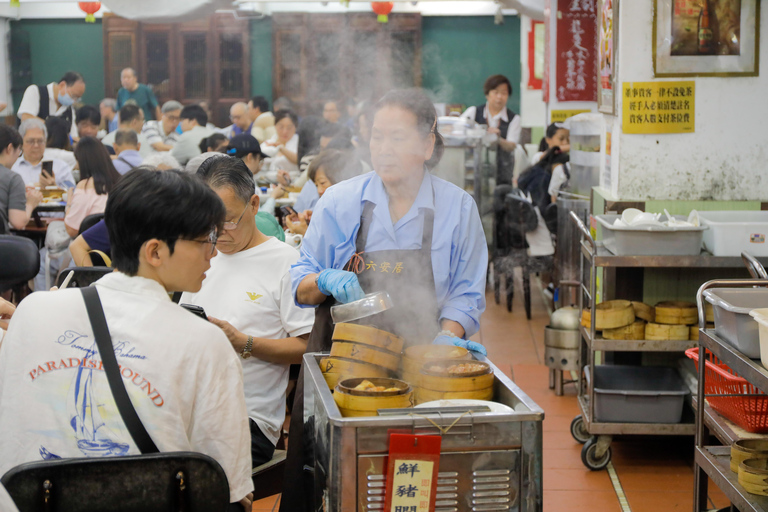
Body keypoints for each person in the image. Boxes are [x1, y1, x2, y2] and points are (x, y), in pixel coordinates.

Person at [281, 89, 488, 512]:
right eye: (377, 136)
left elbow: (467, 293)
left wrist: (449, 335)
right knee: (329, 481)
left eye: (397, 137)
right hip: (340, 368)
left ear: (427, 143)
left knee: (412, 484)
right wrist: (326, 278)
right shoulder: (339, 201)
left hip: (423, 369)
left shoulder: (457, 208)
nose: (383, 149)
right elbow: (299, 287)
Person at [0, 168, 254, 510]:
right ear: (155, 252)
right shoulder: (205, 343)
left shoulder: (31, 312)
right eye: (204, 239)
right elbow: (228, 488)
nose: (213, 251)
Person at [182, 156, 313, 469]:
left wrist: (244, 343)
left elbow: (308, 347)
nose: (217, 234)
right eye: (207, 223)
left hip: (246, 418)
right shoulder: (200, 253)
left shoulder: (285, 262)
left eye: (227, 221)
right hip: (188, 407)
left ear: (254, 204)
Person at [283, 149, 361, 236]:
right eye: (316, 185)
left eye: (322, 183)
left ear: (340, 178)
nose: (319, 190)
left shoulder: (353, 213)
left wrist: (305, 233)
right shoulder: (332, 211)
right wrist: (315, 218)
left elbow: (333, 247)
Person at [460, 74, 520, 184]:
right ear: (487, 94)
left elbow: (512, 145)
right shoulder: (473, 112)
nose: (499, 97)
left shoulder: (514, 119)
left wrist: (498, 139)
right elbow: (458, 130)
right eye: (496, 92)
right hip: (474, 172)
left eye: (504, 93)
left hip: (502, 176)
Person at [64, 136, 121, 238]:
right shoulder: (121, 182)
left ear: (82, 162)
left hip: (93, 249)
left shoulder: (85, 186)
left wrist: (69, 203)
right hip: (120, 247)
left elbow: (71, 230)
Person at [17, 71, 85, 140]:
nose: (73, 101)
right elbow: (26, 118)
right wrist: (55, 128)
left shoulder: (70, 110)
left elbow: (74, 136)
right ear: (62, 85)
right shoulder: (36, 92)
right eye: (73, 96)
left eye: (77, 99)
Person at [0, 125, 42, 234]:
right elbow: (18, 222)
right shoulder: (13, 178)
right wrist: (31, 203)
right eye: (19, 151)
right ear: (9, 148)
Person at [12, 118, 74, 189]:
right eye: (31, 141)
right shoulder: (12, 167)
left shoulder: (60, 167)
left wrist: (54, 188)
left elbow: (72, 193)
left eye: (40, 141)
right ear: (21, 143)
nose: (36, 145)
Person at [259, 110, 299, 183]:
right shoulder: (268, 143)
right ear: (275, 125)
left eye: (289, 128)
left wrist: (281, 148)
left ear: (295, 127)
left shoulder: (299, 143)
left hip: (294, 183)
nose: (285, 131)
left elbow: (299, 159)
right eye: (281, 127)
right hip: (268, 182)